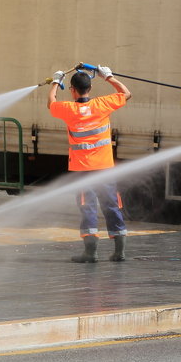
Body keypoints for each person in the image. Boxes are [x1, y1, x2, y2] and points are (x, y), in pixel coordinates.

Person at [47, 65, 132, 262]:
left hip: (83, 170)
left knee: (88, 207)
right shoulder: (103, 104)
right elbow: (126, 93)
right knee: (111, 205)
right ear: (90, 89)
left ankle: (90, 253)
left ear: (72, 90)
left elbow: (51, 103)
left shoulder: (68, 109)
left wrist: (54, 82)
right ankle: (120, 251)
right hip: (105, 169)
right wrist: (109, 77)